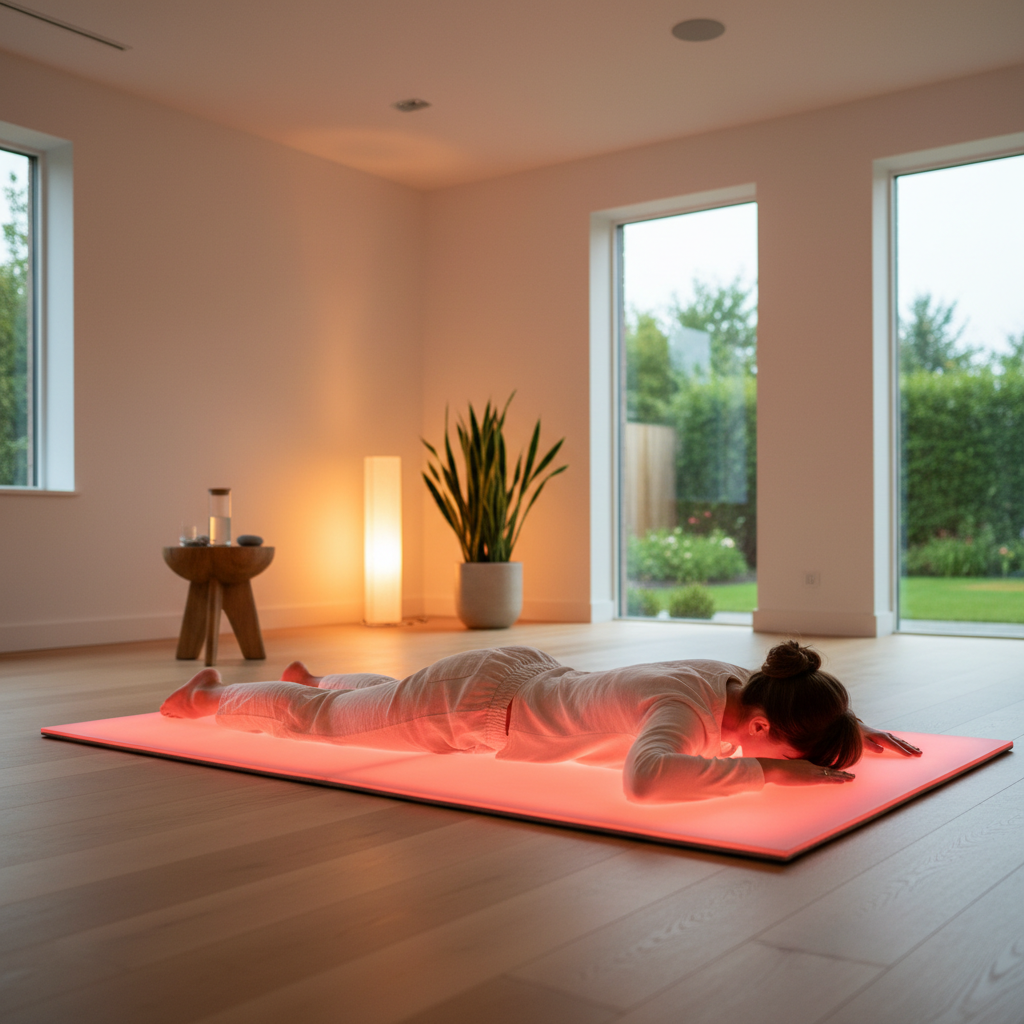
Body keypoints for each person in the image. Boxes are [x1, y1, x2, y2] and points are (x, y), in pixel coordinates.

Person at [160, 640, 921, 803]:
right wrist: (776, 772)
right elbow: (647, 781)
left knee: (377, 700)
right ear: (759, 729)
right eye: (788, 745)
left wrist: (854, 726)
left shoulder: (735, 681)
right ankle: (203, 700)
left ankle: (318, 680)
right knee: (322, 726)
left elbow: (792, 712)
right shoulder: (684, 711)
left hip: (507, 679)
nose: (795, 759)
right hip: (476, 709)